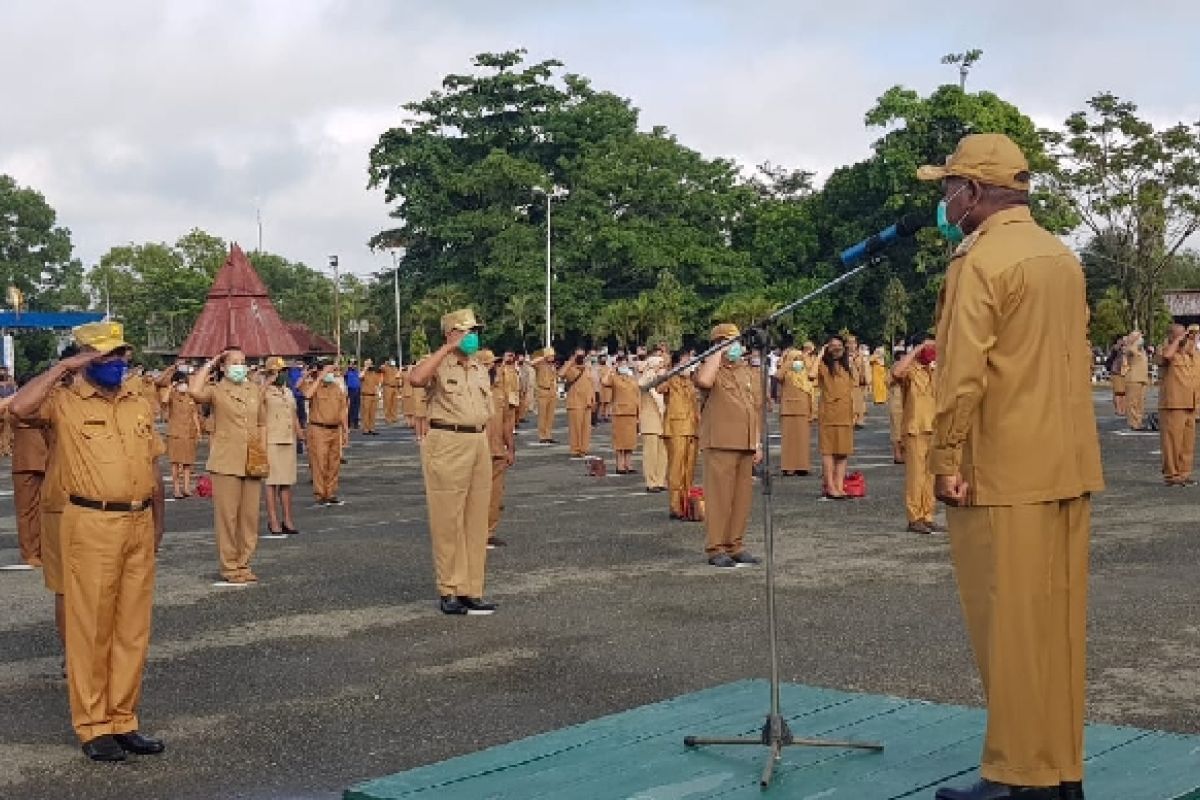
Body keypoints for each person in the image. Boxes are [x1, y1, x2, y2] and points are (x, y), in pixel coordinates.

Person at [920, 132, 1103, 800]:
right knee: (1057, 629)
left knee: (1008, 630)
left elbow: (963, 376)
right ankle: (1060, 771)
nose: (945, 200)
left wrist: (944, 459)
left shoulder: (980, 262)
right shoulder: (1060, 256)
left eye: (948, 188)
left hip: (1003, 469)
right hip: (1067, 464)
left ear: (971, 193)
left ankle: (1017, 775)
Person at [9, 321, 166, 762]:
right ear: (84, 358)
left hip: (137, 521)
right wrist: (64, 367)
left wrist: (158, 521)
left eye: (121, 355)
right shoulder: (62, 402)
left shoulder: (137, 400)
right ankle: (93, 725)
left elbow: (152, 464)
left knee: (132, 629)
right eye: (106, 355)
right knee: (91, 628)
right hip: (91, 522)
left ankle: (123, 719)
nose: (117, 362)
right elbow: (18, 408)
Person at [408, 309, 496, 615]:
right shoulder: (437, 363)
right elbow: (416, 379)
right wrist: (446, 348)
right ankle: (449, 589)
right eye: (466, 331)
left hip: (478, 441)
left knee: (476, 519)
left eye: (474, 331)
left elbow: (488, 411)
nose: (473, 337)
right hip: (447, 442)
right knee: (448, 519)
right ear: (451, 334)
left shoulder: (478, 367)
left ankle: (472, 589)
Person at [189, 347, 266, 584]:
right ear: (223, 367)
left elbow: (262, 424)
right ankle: (230, 566)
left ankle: (244, 563)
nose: (239, 366)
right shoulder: (216, 391)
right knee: (227, 518)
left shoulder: (254, 390)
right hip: (225, 461)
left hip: (251, 460)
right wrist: (210, 363)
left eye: (243, 361)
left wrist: (261, 453)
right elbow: (194, 391)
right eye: (233, 362)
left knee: (249, 517)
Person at [694, 324, 762, 568]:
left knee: (741, 498)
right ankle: (716, 547)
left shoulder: (745, 371)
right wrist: (716, 353)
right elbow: (703, 381)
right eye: (729, 342)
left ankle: (735, 544)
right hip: (720, 441)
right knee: (719, 498)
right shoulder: (712, 369)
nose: (736, 346)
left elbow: (753, 407)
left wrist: (757, 441)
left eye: (737, 341)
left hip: (745, 442)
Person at [893, 338, 937, 534]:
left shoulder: (937, 371)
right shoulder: (911, 371)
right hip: (915, 429)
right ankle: (914, 517)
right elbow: (896, 372)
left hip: (934, 428)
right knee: (916, 477)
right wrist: (917, 350)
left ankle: (927, 515)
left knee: (931, 477)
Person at [479, 350, 515, 548]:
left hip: (497, 450)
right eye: (488, 365)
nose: (493, 368)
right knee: (477, 495)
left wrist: (511, 448)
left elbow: (508, 421)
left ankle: (489, 532)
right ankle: (474, 533)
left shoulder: (502, 390)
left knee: (495, 495)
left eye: (494, 364)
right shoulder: (474, 390)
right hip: (478, 450)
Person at [1157, 323, 1199, 486]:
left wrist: (1192, 339)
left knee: (1187, 443)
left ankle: (1184, 474)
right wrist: (1178, 340)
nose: (1184, 337)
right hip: (1173, 404)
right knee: (1172, 443)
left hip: (1190, 403)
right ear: (1171, 336)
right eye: (1179, 334)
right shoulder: (1165, 350)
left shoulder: (1191, 354)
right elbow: (1166, 356)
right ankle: (1172, 475)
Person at [301, 363, 349, 504]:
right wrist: (319, 377)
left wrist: (345, 430)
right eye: (329, 371)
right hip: (318, 429)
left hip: (335, 429)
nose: (331, 374)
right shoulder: (314, 385)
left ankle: (331, 493)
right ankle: (320, 494)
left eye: (333, 371)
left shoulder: (336, 388)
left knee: (334, 463)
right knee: (319, 463)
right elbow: (307, 394)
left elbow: (342, 410)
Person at [263, 357, 301, 533]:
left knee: (286, 482)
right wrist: (266, 383)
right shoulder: (263, 391)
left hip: (288, 439)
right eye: (279, 371)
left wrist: (300, 434)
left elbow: (293, 415)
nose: (282, 374)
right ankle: (273, 520)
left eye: (284, 371)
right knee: (271, 482)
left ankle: (287, 519)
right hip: (271, 440)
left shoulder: (287, 391)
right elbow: (252, 403)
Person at [660, 350, 700, 519]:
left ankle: (686, 504)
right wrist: (670, 370)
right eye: (684, 361)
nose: (688, 363)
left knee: (689, 468)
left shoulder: (691, 380)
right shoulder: (671, 378)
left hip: (692, 427)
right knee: (676, 468)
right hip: (675, 427)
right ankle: (675, 506)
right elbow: (659, 387)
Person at [9, 401, 49, 567]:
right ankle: (30, 552)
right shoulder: (17, 408)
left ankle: (41, 549)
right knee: (27, 510)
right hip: (25, 463)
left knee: (44, 509)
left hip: (45, 461)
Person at [817, 335, 855, 499]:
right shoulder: (823, 367)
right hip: (829, 416)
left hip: (845, 415)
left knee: (843, 453)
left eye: (839, 345)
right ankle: (830, 487)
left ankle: (839, 486)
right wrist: (820, 353)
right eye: (832, 346)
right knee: (828, 452)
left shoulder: (847, 367)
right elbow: (811, 375)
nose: (836, 348)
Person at [160, 363, 201, 500]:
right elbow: (164, 401)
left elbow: (194, 414)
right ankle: (177, 489)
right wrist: (171, 387)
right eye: (181, 383)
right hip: (175, 434)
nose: (184, 385)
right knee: (176, 464)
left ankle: (187, 488)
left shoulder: (190, 397)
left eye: (185, 382)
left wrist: (198, 429)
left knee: (188, 463)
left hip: (189, 434)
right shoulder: (171, 396)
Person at [777, 342, 815, 477]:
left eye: (799, 360)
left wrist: (812, 411)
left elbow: (812, 384)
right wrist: (788, 362)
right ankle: (788, 467)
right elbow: (778, 376)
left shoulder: (806, 373)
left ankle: (802, 466)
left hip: (803, 409)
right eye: (795, 359)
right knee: (788, 440)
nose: (797, 362)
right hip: (788, 409)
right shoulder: (786, 373)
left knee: (803, 439)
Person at [637, 354, 668, 492]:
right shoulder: (646, 378)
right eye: (659, 365)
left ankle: (661, 480)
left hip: (663, 419)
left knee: (663, 453)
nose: (662, 368)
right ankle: (651, 482)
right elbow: (642, 384)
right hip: (650, 421)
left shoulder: (663, 380)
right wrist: (652, 372)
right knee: (650, 454)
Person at [604, 354, 639, 474]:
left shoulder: (632, 378)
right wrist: (611, 369)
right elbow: (604, 381)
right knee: (619, 440)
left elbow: (637, 395)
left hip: (632, 411)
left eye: (625, 362)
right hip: (619, 412)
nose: (624, 364)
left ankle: (629, 464)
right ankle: (619, 465)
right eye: (621, 362)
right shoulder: (614, 377)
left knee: (630, 440)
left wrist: (639, 412)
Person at [559, 348, 595, 457]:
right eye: (578, 355)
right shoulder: (570, 368)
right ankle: (575, 449)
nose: (580, 358)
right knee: (575, 427)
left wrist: (593, 399)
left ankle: (584, 448)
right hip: (575, 402)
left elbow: (591, 384)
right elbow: (561, 374)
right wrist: (571, 361)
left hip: (587, 401)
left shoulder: (587, 368)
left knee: (586, 428)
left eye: (582, 356)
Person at [1123, 331, 1150, 431]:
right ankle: (1133, 423)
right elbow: (1130, 351)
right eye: (1139, 337)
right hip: (1133, 378)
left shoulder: (1141, 350)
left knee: (1141, 402)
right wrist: (1132, 340)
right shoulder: (1130, 348)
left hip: (1142, 379)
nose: (1141, 339)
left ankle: (1138, 421)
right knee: (1132, 402)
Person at [531, 347, 558, 443]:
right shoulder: (540, 365)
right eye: (550, 355)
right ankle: (542, 436)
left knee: (550, 415)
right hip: (542, 391)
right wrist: (543, 357)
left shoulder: (553, 366)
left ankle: (548, 435)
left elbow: (555, 378)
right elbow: (531, 363)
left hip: (552, 391)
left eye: (553, 355)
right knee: (542, 415)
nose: (552, 357)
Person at [360, 359, 382, 435]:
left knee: (373, 413)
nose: (370, 365)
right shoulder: (363, 373)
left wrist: (379, 394)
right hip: (366, 395)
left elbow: (377, 384)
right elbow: (360, 377)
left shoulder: (374, 373)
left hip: (374, 395)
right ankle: (366, 429)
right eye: (368, 364)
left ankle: (372, 428)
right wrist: (365, 368)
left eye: (371, 364)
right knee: (366, 413)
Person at [1107, 337, 1128, 416]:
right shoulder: (1115, 348)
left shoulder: (1127, 348)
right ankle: (1118, 409)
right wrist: (1120, 345)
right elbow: (1114, 351)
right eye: (1121, 340)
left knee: (1124, 393)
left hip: (1125, 372)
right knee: (1118, 393)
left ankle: (1124, 409)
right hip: (1116, 372)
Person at [382, 359, 402, 425]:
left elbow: (398, 377)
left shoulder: (395, 368)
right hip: (388, 387)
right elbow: (380, 369)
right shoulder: (385, 368)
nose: (392, 362)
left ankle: (394, 417)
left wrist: (399, 388)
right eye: (390, 361)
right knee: (387, 403)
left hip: (395, 387)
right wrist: (386, 364)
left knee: (394, 403)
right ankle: (387, 418)